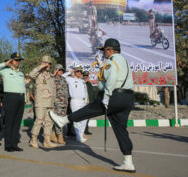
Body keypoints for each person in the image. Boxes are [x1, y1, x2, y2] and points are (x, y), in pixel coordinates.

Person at [49, 38, 136, 173]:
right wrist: (102, 67)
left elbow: (112, 78)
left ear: (110, 50)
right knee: (121, 129)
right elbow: (116, 75)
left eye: (104, 51)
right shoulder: (123, 61)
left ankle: (63, 120)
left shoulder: (111, 61)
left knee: (89, 109)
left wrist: (106, 97)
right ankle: (128, 162)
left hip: (113, 96)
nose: (103, 54)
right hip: (128, 97)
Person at [0, 52, 26, 152]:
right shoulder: (5, 71)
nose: (18, 62)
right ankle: (8, 145)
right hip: (10, 97)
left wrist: (24, 100)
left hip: (20, 97)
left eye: (19, 60)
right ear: (11, 61)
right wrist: (4, 64)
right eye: (16, 60)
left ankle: (14, 144)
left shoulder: (21, 73)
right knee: (9, 122)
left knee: (17, 123)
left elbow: (23, 87)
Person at [28, 55, 57, 149]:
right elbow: (31, 74)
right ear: (42, 63)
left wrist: (54, 100)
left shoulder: (51, 75)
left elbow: (53, 89)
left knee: (49, 122)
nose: (47, 65)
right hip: (40, 102)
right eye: (45, 63)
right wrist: (41, 67)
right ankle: (33, 139)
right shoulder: (38, 74)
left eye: (49, 63)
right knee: (39, 121)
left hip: (50, 102)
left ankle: (47, 141)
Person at [61, 66, 89, 143]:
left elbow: (85, 91)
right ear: (75, 72)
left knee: (84, 118)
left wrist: (86, 100)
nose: (79, 73)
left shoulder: (82, 81)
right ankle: (78, 136)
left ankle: (81, 134)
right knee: (77, 118)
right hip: (75, 101)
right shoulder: (70, 79)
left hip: (83, 101)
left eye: (80, 72)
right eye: (77, 71)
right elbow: (62, 76)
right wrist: (70, 72)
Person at [50, 64, 69, 145]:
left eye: (62, 70)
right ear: (56, 70)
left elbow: (66, 90)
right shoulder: (53, 79)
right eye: (59, 70)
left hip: (64, 102)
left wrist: (67, 100)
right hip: (57, 102)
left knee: (61, 119)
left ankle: (53, 135)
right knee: (59, 120)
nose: (61, 71)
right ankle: (60, 137)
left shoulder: (64, 79)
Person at [82, 71, 96, 135]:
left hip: (89, 102)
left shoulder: (89, 84)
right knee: (82, 117)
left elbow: (92, 93)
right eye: (84, 76)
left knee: (87, 117)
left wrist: (93, 102)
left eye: (86, 76)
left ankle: (86, 130)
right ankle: (82, 130)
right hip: (82, 102)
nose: (85, 77)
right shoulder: (81, 83)